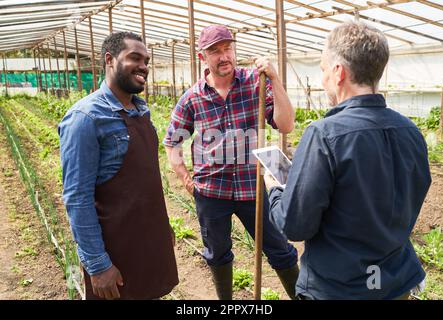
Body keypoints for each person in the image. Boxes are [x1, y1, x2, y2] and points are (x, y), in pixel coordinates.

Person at [265, 21, 431, 300]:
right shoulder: (410, 131)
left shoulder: (324, 134)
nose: (323, 79)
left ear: (339, 72)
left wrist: (275, 190)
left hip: (341, 287)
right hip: (395, 281)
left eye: (323, 70)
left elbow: (295, 225)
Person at [163, 25, 299, 300]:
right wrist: (186, 180)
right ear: (203, 57)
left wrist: (274, 79)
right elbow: (172, 141)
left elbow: (285, 125)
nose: (224, 56)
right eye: (215, 51)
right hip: (212, 192)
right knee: (217, 254)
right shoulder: (193, 97)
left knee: (280, 251)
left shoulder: (256, 83)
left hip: (254, 190)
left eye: (228, 49)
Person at [59, 32, 178, 300]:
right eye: (134, 58)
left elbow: (146, 184)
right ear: (109, 60)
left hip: (149, 242)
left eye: (146, 60)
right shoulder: (86, 118)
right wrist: (98, 266)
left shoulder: (140, 111)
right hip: (116, 254)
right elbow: (78, 199)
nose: (144, 66)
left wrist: (162, 227)